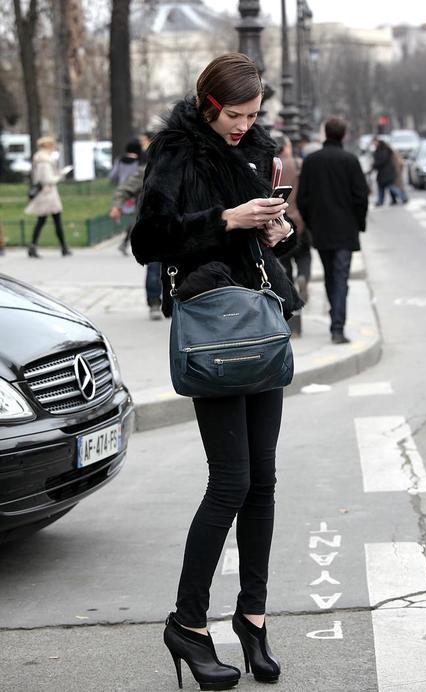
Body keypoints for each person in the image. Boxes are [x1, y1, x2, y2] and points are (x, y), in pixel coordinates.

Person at [131, 52, 302, 691]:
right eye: (236, 115)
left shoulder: (259, 149)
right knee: (229, 481)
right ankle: (188, 624)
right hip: (212, 327)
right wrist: (226, 220)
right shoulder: (177, 152)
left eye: (254, 115)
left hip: (259, 321)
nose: (245, 125)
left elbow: (280, 240)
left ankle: (253, 620)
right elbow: (149, 241)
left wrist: (278, 231)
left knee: (264, 482)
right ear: (209, 104)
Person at [297, 116, 368, 344]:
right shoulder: (350, 160)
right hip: (346, 229)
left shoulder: (311, 161)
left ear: (325, 134)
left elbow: (302, 198)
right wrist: (359, 223)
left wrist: (310, 223)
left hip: (321, 229)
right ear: (344, 135)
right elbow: (361, 197)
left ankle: (335, 319)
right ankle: (337, 326)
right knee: (340, 276)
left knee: (330, 275)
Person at [109, 132, 162, 319]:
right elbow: (123, 189)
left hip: (178, 226)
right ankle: (154, 303)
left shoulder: (181, 170)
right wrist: (117, 206)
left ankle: (174, 302)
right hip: (153, 225)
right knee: (155, 267)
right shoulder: (146, 171)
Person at [272, 131, 311, 303]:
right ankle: (303, 276)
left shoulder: (272, 166)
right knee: (304, 254)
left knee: (284, 260)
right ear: (287, 147)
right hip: (300, 218)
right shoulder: (298, 163)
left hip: (279, 220)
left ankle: (291, 291)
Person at [25, 136, 72, 258]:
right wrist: (60, 175)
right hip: (48, 194)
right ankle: (62, 248)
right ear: (48, 146)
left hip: (47, 193)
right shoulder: (44, 161)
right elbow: (47, 179)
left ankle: (61, 247)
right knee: (50, 220)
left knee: (45, 221)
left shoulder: (41, 159)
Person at [109, 138, 142, 255]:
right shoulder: (139, 162)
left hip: (123, 191)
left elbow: (113, 176)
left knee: (135, 219)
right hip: (135, 192)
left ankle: (125, 241)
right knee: (136, 219)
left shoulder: (119, 160)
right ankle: (125, 242)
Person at [371, 137, 399, 206]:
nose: (374, 144)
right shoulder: (381, 150)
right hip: (384, 173)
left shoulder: (383, 150)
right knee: (383, 187)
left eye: (374, 142)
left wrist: (374, 165)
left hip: (386, 173)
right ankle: (382, 201)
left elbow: (381, 161)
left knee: (390, 187)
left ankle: (403, 196)